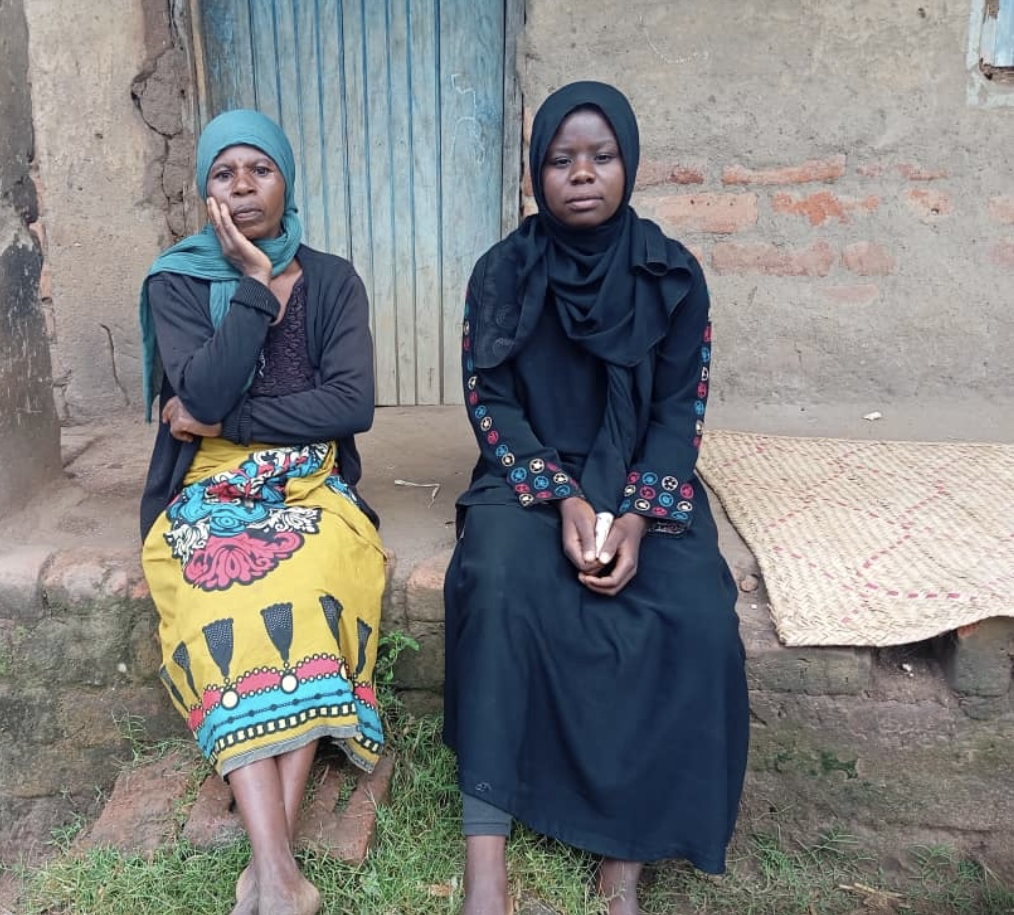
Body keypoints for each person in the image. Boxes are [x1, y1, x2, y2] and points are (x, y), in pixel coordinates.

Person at [443, 81, 750, 915]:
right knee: (499, 583)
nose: (582, 174)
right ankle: (485, 865)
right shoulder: (501, 273)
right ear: (535, 172)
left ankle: (627, 856)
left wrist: (641, 517)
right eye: (560, 159)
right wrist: (561, 499)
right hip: (529, 472)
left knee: (693, 612)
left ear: (629, 163)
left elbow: (679, 410)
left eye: (601, 156)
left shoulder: (672, 275)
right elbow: (489, 398)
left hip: (644, 475)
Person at [138, 109, 386, 915]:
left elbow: (350, 405)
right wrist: (250, 287)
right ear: (204, 189)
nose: (242, 187)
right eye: (224, 173)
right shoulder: (176, 281)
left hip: (309, 482)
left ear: (286, 179)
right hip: (205, 485)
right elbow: (202, 388)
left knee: (306, 589)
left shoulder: (332, 280)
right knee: (220, 594)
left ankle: (271, 873)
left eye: (260, 170)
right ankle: (278, 872)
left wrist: (228, 421)